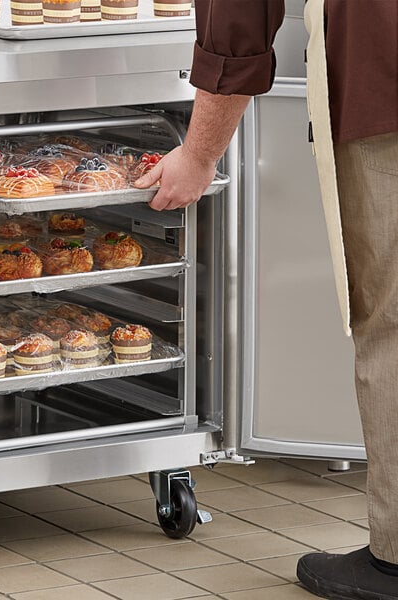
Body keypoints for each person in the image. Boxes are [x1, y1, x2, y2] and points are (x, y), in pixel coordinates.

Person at [135, 1, 398, 599]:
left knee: (395, 324)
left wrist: (200, 150)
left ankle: (396, 561)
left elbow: (239, 12)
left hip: (386, 81)